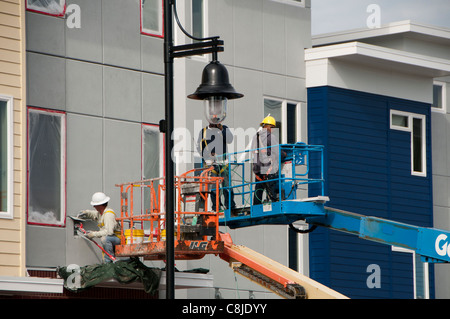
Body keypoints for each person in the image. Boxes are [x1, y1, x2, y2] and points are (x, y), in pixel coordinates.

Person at [197, 123, 236, 211]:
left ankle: (230, 206)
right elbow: (199, 148)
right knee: (214, 188)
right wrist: (208, 154)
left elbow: (230, 139)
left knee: (227, 186)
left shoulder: (223, 129)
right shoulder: (204, 132)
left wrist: (222, 129)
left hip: (223, 163)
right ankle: (216, 206)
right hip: (211, 164)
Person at [77, 192, 121, 263]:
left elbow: (109, 232)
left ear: (100, 205)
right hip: (112, 238)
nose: (94, 207)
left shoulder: (108, 214)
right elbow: (94, 214)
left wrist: (93, 234)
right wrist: (86, 212)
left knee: (105, 239)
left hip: (117, 238)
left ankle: (109, 262)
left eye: (95, 205)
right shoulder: (102, 212)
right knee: (105, 239)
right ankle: (107, 261)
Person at [251, 115, 281, 206]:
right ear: (269, 126)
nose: (273, 130)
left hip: (258, 169)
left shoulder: (255, 137)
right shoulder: (270, 137)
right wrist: (284, 154)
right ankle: (272, 204)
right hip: (268, 169)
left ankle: (256, 208)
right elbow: (277, 151)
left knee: (258, 190)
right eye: (273, 127)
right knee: (271, 189)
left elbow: (253, 151)